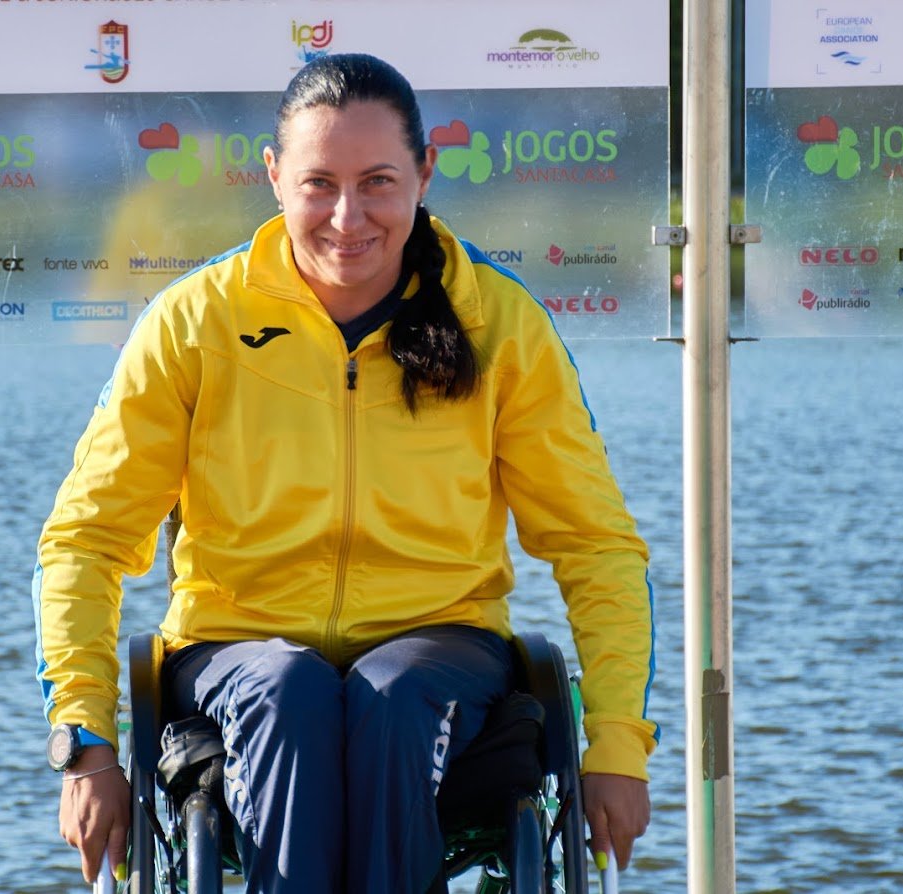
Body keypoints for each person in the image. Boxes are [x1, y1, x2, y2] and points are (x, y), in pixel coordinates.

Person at [34, 53, 657, 893]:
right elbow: (86, 541)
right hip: (236, 653)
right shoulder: (192, 322)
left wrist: (616, 747)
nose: (346, 216)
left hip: (440, 650)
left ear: (424, 174)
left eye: (377, 184)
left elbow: (595, 546)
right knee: (289, 690)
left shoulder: (502, 324)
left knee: (392, 694)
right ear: (273, 177)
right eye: (318, 184)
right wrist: (85, 746)